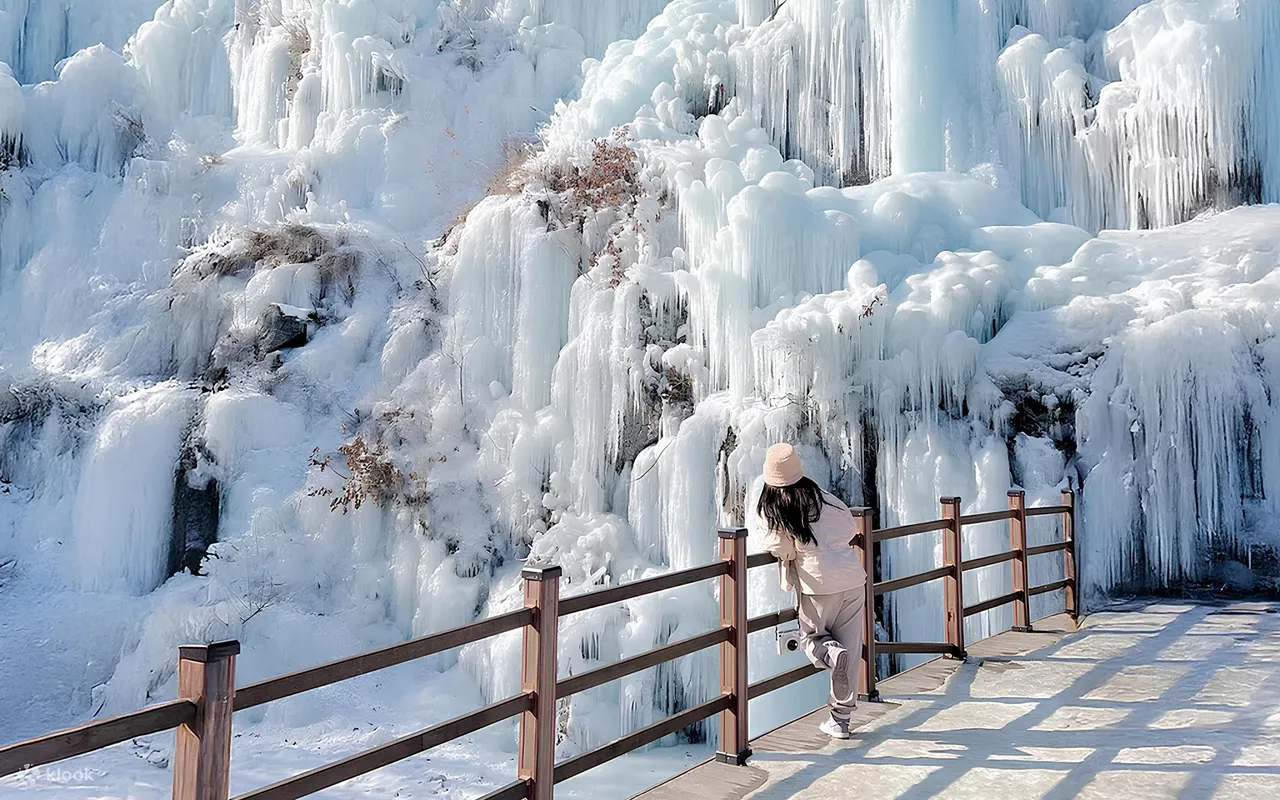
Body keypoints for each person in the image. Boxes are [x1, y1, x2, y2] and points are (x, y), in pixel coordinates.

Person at [757, 442, 867, 740]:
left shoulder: (781, 507)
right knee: (852, 647)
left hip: (820, 585)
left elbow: (779, 548)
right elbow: (849, 528)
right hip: (854, 580)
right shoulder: (825, 498)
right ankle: (840, 721)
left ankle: (831, 653)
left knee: (812, 638)